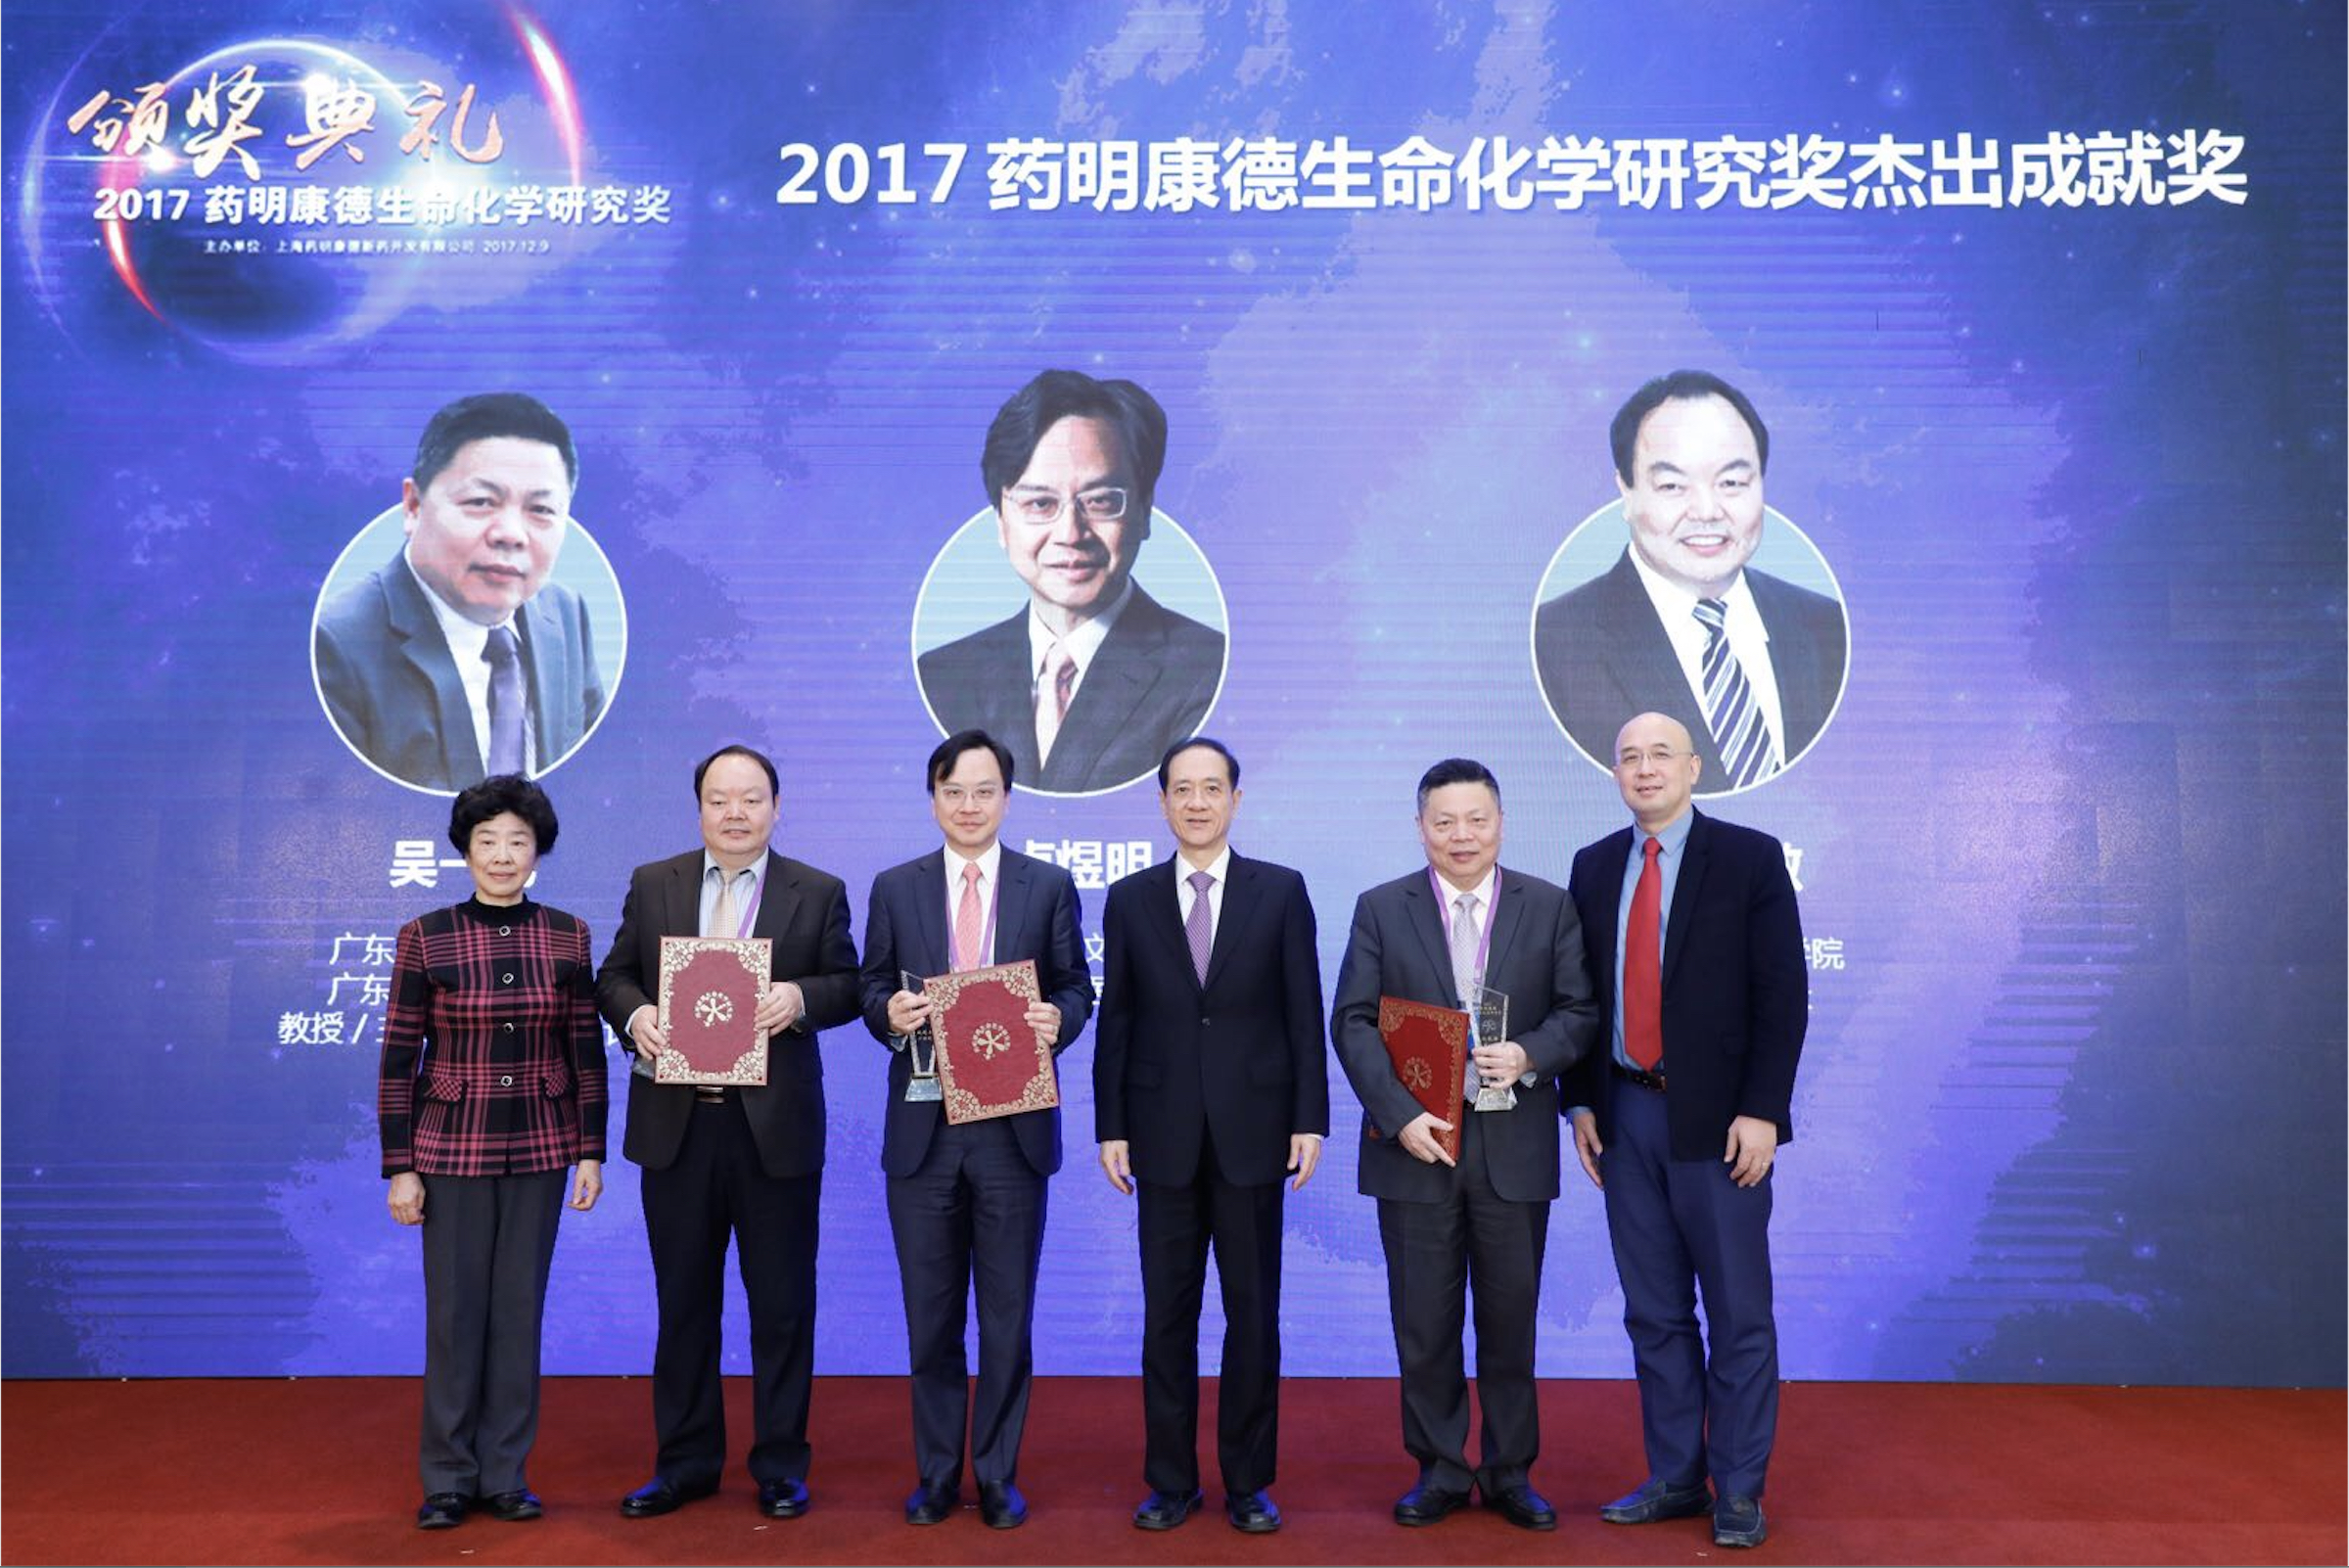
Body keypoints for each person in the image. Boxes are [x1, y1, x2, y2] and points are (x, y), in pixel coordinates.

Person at [1328, 759, 1599, 1531]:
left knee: (1510, 1322)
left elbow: (1581, 1011)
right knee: (1424, 1322)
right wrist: (1398, 1112)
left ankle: (1511, 1472)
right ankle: (1441, 1468)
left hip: (1512, 1146)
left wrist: (1532, 1055)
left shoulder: (1549, 908)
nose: (1461, 836)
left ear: (1501, 822)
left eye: (1476, 819)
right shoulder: (1382, 908)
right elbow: (1352, 1020)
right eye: (1443, 821)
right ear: (1421, 828)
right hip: (1415, 1146)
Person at [595, 745, 860, 1520]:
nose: (735, 813)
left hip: (772, 1133)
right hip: (679, 1128)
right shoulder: (656, 884)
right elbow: (614, 976)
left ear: (776, 807)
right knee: (684, 1304)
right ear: (700, 808)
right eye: (720, 799)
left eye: (751, 799)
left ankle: (780, 1465)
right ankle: (684, 1464)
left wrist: (799, 997)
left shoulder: (818, 891)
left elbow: (850, 985)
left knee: (782, 1305)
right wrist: (635, 1013)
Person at [1564, 713, 1809, 1549]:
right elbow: (1582, 1001)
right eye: (1627, 755)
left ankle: (1738, 1489)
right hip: (1624, 1114)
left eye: (1659, 754)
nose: (1642, 769)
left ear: (1693, 767)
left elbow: (1783, 997)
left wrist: (1764, 1110)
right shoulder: (1594, 867)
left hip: (1720, 1119)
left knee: (1739, 1311)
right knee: (1654, 1310)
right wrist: (1580, 1101)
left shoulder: (1749, 857)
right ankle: (1675, 1475)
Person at [857, 729, 1093, 1530]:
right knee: (930, 1316)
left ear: (1006, 797)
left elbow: (1076, 986)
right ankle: (934, 1474)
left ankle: (996, 1473)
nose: (969, 806)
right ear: (934, 798)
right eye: (954, 791)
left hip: (1012, 1127)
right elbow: (867, 986)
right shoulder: (895, 886)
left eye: (984, 791)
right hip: (922, 1130)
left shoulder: (1048, 885)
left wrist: (1057, 1017)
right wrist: (885, 1014)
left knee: (1005, 1315)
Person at [1094, 737, 1328, 1536]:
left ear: (1235, 799)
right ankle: (1169, 1481)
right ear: (1161, 802)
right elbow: (1116, 1022)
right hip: (1157, 1135)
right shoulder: (1128, 899)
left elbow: (1304, 1011)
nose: (1197, 802)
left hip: (1255, 1133)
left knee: (1253, 1312)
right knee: (1168, 1316)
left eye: (1212, 788)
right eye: (1182, 790)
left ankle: (1249, 1481)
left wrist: (1310, 1118)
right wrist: (1110, 1126)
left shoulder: (1280, 891)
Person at [378, 773, 607, 1530]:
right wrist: (400, 1164)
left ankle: (506, 1472)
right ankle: (447, 1476)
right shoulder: (426, 934)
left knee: (518, 1314)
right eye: (487, 841)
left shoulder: (569, 935)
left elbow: (585, 1052)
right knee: (454, 1316)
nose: (503, 855)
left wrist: (590, 1150)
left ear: (538, 851)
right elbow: (398, 1058)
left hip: (541, 1147)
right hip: (450, 1148)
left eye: (518, 841)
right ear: (464, 850)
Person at [1533, 370, 1846, 790]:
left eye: (1732, 482)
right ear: (1625, 492)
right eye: (1673, 485)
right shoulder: (1556, 643)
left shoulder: (1826, 627)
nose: (1706, 510)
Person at [917, 370, 1224, 794]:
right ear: (1001, 522)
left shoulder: (1204, 671)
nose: (1070, 533)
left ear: (1144, 509)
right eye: (1040, 503)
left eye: (1100, 501)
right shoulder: (943, 675)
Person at [316, 392, 608, 792]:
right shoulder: (338, 642)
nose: (510, 534)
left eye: (540, 510)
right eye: (481, 501)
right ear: (413, 506)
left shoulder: (567, 615)